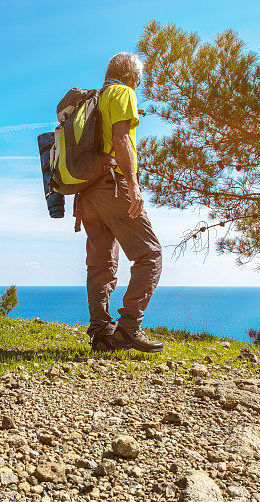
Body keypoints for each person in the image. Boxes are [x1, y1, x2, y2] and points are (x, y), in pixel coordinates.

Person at [82, 52, 164, 354]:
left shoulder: (95, 99)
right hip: (113, 186)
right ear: (133, 76)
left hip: (87, 192)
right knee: (150, 255)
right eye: (140, 80)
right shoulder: (123, 92)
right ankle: (129, 327)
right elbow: (121, 139)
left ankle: (102, 334)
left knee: (101, 263)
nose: (139, 85)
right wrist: (134, 184)